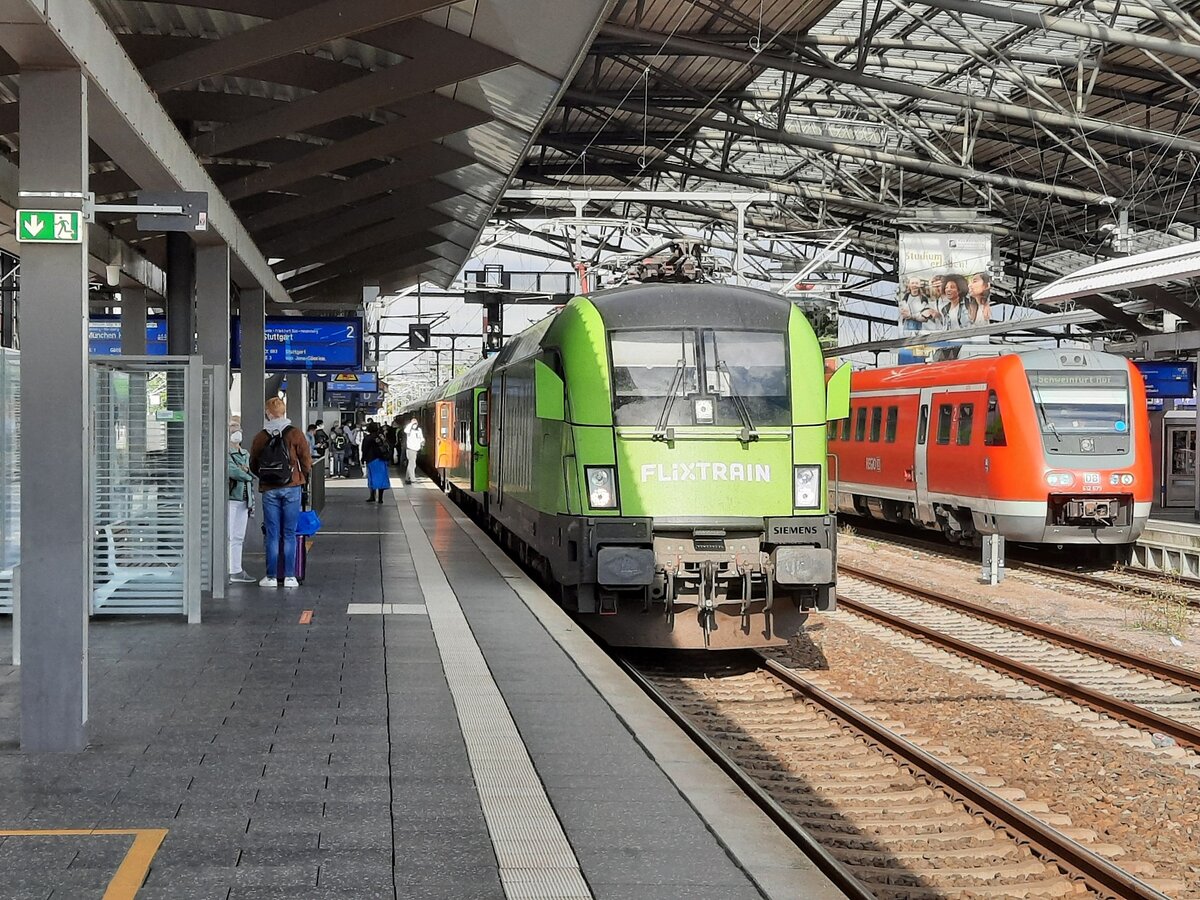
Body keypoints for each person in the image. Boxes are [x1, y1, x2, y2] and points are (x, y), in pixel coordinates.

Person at [250, 396, 312, 588]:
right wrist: (301, 478)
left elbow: (253, 463)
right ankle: (290, 577)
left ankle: (270, 577)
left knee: (272, 533)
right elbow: (306, 461)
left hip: (269, 490)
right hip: (292, 487)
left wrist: (266, 477)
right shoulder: (295, 434)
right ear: (284, 412)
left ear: (268, 413)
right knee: (289, 533)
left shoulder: (261, 436)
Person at [227, 425, 257, 584]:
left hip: (245, 499)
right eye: (233, 431)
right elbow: (234, 472)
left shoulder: (245, 453)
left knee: (238, 536)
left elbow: (251, 471)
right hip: (231, 498)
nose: (237, 433)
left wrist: (245, 472)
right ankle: (228, 570)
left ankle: (236, 569)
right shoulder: (225, 453)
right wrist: (246, 473)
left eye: (239, 430)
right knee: (230, 536)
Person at [363, 422, 392, 503]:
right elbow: (387, 446)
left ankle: (372, 496)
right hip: (381, 459)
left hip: (371, 460)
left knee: (371, 478)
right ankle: (380, 498)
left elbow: (364, 450)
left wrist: (363, 459)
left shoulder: (367, 438)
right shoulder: (381, 437)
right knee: (381, 479)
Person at [403, 417, 425, 485]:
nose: (415, 424)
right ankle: (412, 479)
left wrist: (422, 442)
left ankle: (407, 478)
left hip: (416, 449)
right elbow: (406, 430)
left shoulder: (419, 430)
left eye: (416, 423)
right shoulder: (409, 430)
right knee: (412, 464)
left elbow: (421, 438)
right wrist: (411, 423)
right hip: (410, 449)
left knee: (411, 464)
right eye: (413, 423)